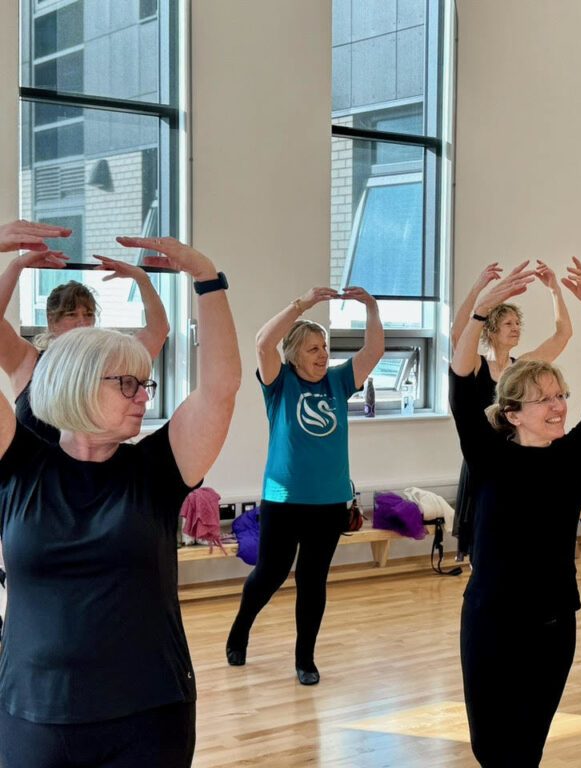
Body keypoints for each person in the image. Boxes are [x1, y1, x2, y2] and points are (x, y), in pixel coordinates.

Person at [0, 233, 240, 768]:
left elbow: (220, 389)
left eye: (145, 385)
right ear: (79, 382)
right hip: (33, 713)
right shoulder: (19, 465)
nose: (143, 398)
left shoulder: (157, 470)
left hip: (149, 713)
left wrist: (207, 278)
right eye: (127, 384)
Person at [450, 258, 581, 767]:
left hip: (552, 621)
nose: (559, 406)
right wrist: (478, 313)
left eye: (561, 396)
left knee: (527, 747)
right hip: (490, 620)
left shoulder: (571, 457)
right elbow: (459, 384)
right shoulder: (488, 456)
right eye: (543, 400)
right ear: (512, 414)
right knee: (489, 747)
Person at [226, 285, 383, 685]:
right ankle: (240, 629)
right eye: (313, 349)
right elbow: (263, 342)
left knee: (312, 581)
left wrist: (371, 308)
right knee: (270, 574)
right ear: (295, 354)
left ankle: (305, 659)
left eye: (325, 347)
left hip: (329, 503)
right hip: (284, 499)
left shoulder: (338, 382)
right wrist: (302, 304)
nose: (323, 355)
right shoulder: (279, 383)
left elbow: (373, 352)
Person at [0, 222, 170, 444]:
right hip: (31, 467)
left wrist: (141, 278)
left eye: (88, 314)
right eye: (71, 314)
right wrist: (17, 266)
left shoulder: (111, 363)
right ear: (52, 321)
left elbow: (158, 330)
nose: (82, 322)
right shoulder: (28, 362)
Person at [450, 259, 573, 560]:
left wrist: (555, 290)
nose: (516, 328)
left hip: (519, 457)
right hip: (485, 458)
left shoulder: (523, 367)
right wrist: (479, 291)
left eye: (518, 323)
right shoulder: (476, 364)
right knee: (485, 541)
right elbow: (457, 335)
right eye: (508, 323)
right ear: (491, 330)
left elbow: (563, 335)